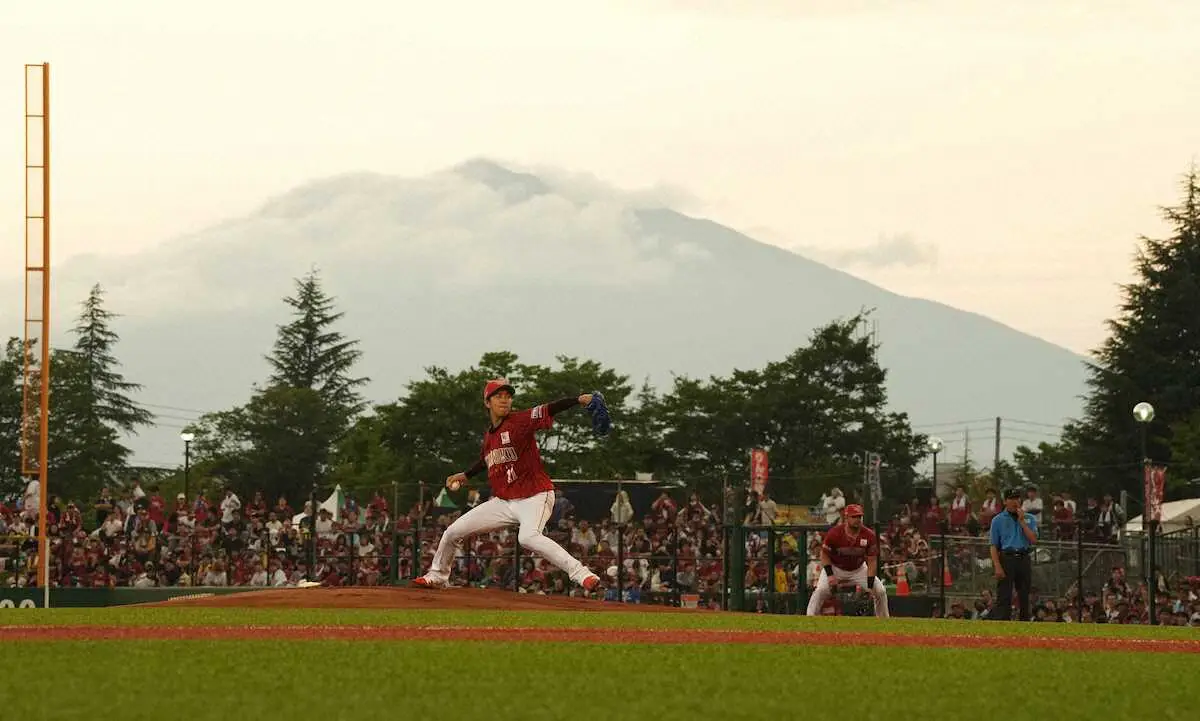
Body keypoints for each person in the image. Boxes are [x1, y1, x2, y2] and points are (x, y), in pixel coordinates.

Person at [412, 379, 602, 592]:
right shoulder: (489, 436)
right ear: (487, 402)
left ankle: (583, 575)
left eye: (508, 396)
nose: (504, 400)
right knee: (452, 532)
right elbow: (486, 459)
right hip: (504, 501)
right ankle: (437, 576)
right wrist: (466, 475)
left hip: (535, 495)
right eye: (498, 396)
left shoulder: (520, 420)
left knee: (528, 537)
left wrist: (578, 400)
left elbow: (550, 408)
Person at [805, 504, 889, 617]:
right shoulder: (835, 533)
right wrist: (830, 575)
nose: (857, 519)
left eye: (859, 517)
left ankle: (884, 620)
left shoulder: (868, 535)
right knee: (821, 590)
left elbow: (872, 560)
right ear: (846, 517)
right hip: (835, 567)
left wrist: (870, 585)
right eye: (854, 517)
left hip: (858, 569)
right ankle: (810, 617)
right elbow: (824, 555)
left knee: (880, 591)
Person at [989, 487, 1038, 621]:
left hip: (1023, 556)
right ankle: (1002, 620)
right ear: (1005, 501)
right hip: (1007, 557)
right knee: (1004, 594)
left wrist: (1022, 522)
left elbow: (1034, 540)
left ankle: (1024, 621)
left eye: (1017, 498)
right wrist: (997, 566)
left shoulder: (1029, 518)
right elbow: (993, 545)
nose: (1015, 501)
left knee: (1024, 593)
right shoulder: (997, 520)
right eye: (1011, 499)